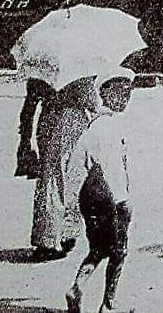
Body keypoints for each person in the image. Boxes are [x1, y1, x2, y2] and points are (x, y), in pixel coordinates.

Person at [64, 67, 135, 313]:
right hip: (115, 199)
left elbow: (77, 167)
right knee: (119, 252)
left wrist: (74, 205)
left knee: (97, 249)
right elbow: (117, 169)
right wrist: (124, 200)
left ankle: (77, 287)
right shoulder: (113, 127)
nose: (125, 98)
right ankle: (108, 303)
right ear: (105, 95)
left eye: (128, 93)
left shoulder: (91, 128)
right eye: (119, 93)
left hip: (92, 199)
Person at [31, 75, 100, 259]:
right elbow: (92, 101)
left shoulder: (45, 67)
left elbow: (31, 99)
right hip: (71, 122)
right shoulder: (81, 68)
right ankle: (64, 234)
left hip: (48, 119)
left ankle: (50, 235)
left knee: (50, 177)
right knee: (70, 176)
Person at [15, 77, 56, 179]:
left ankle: (27, 162)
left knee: (28, 120)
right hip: (42, 79)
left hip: (37, 78)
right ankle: (32, 163)